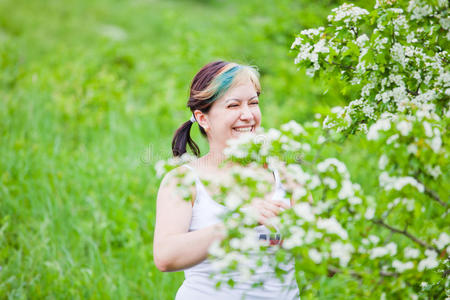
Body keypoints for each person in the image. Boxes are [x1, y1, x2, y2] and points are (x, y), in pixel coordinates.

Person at [153, 61, 300, 299]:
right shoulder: (184, 180)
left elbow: (328, 258)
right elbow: (165, 257)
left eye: (253, 103)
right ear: (203, 119)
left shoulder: (285, 173)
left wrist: (300, 193)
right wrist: (236, 223)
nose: (247, 115)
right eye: (233, 105)